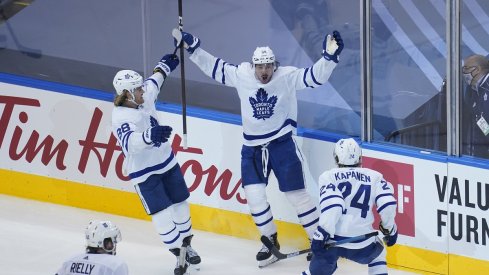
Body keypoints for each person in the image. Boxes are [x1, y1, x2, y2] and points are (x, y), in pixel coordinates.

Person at [172, 29, 344, 266]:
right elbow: (216, 68)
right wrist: (193, 49)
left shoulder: (286, 76)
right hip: (252, 148)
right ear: (253, 66)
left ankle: (320, 242)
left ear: (275, 65)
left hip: (282, 144)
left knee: (297, 196)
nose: (264, 71)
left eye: (268, 66)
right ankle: (270, 240)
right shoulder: (242, 74)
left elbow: (314, 77)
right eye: (260, 67)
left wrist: (328, 59)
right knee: (254, 197)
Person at [111, 53, 200, 275]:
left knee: (180, 204)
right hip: (143, 173)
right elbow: (130, 143)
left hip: (166, 162)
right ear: (128, 94)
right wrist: (150, 136)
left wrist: (164, 66)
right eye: (138, 89)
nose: (143, 91)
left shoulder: (143, 95)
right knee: (160, 213)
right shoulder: (120, 116)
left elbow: (155, 81)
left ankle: (187, 245)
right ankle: (177, 252)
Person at [302, 138, 398, 275]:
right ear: (360, 157)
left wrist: (320, 235)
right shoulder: (375, 176)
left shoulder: (328, 176)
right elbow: (388, 204)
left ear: (336, 158)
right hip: (363, 243)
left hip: (333, 242)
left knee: (316, 271)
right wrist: (389, 229)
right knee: (378, 254)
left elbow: (333, 206)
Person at [55, 220, 128, 275]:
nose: (114, 244)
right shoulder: (115, 264)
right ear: (107, 244)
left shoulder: (71, 260)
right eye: (113, 240)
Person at [461, 54, 489, 158]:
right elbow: (482, 123)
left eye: (466, 68)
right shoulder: (474, 90)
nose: (463, 72)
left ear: (477, 69)